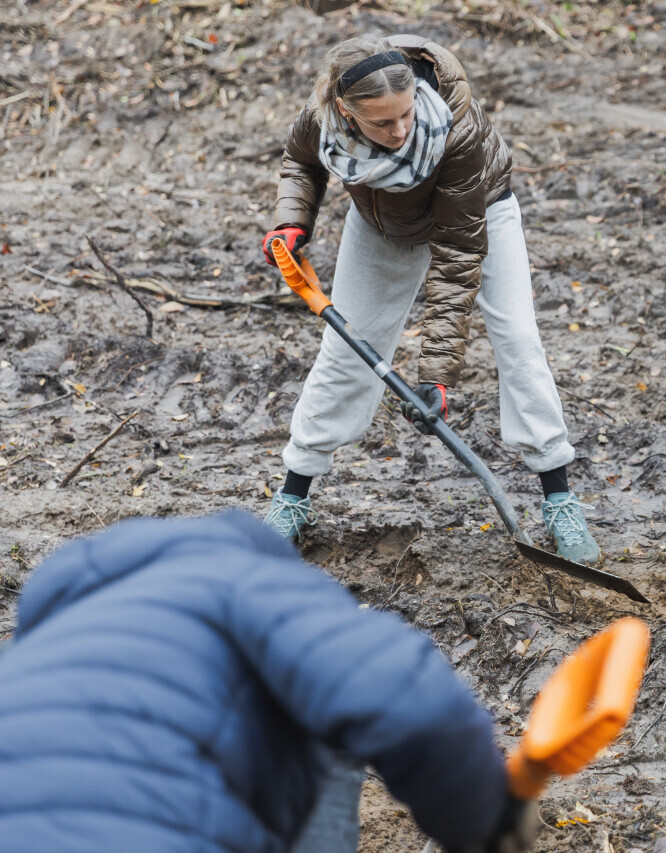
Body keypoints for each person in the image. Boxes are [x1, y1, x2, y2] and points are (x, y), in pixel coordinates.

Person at [0, 511, 538, 853]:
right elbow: (411, 703)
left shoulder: (34, 652)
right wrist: (487, 822)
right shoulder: (240, 575)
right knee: (320, 713)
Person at [260, 33, 599, 563]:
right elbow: (300, 163)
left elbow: (458, 256)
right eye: (382, 123)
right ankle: (293, 495)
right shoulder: (320, 117)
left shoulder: (454, 130)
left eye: (406, 115)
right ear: (346, 112)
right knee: (346, 350)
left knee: (517, 338)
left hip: (478, 213)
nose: (399, 132)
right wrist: (291, 222)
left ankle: (559, 497)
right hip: (383, 224)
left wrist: (436, 374)